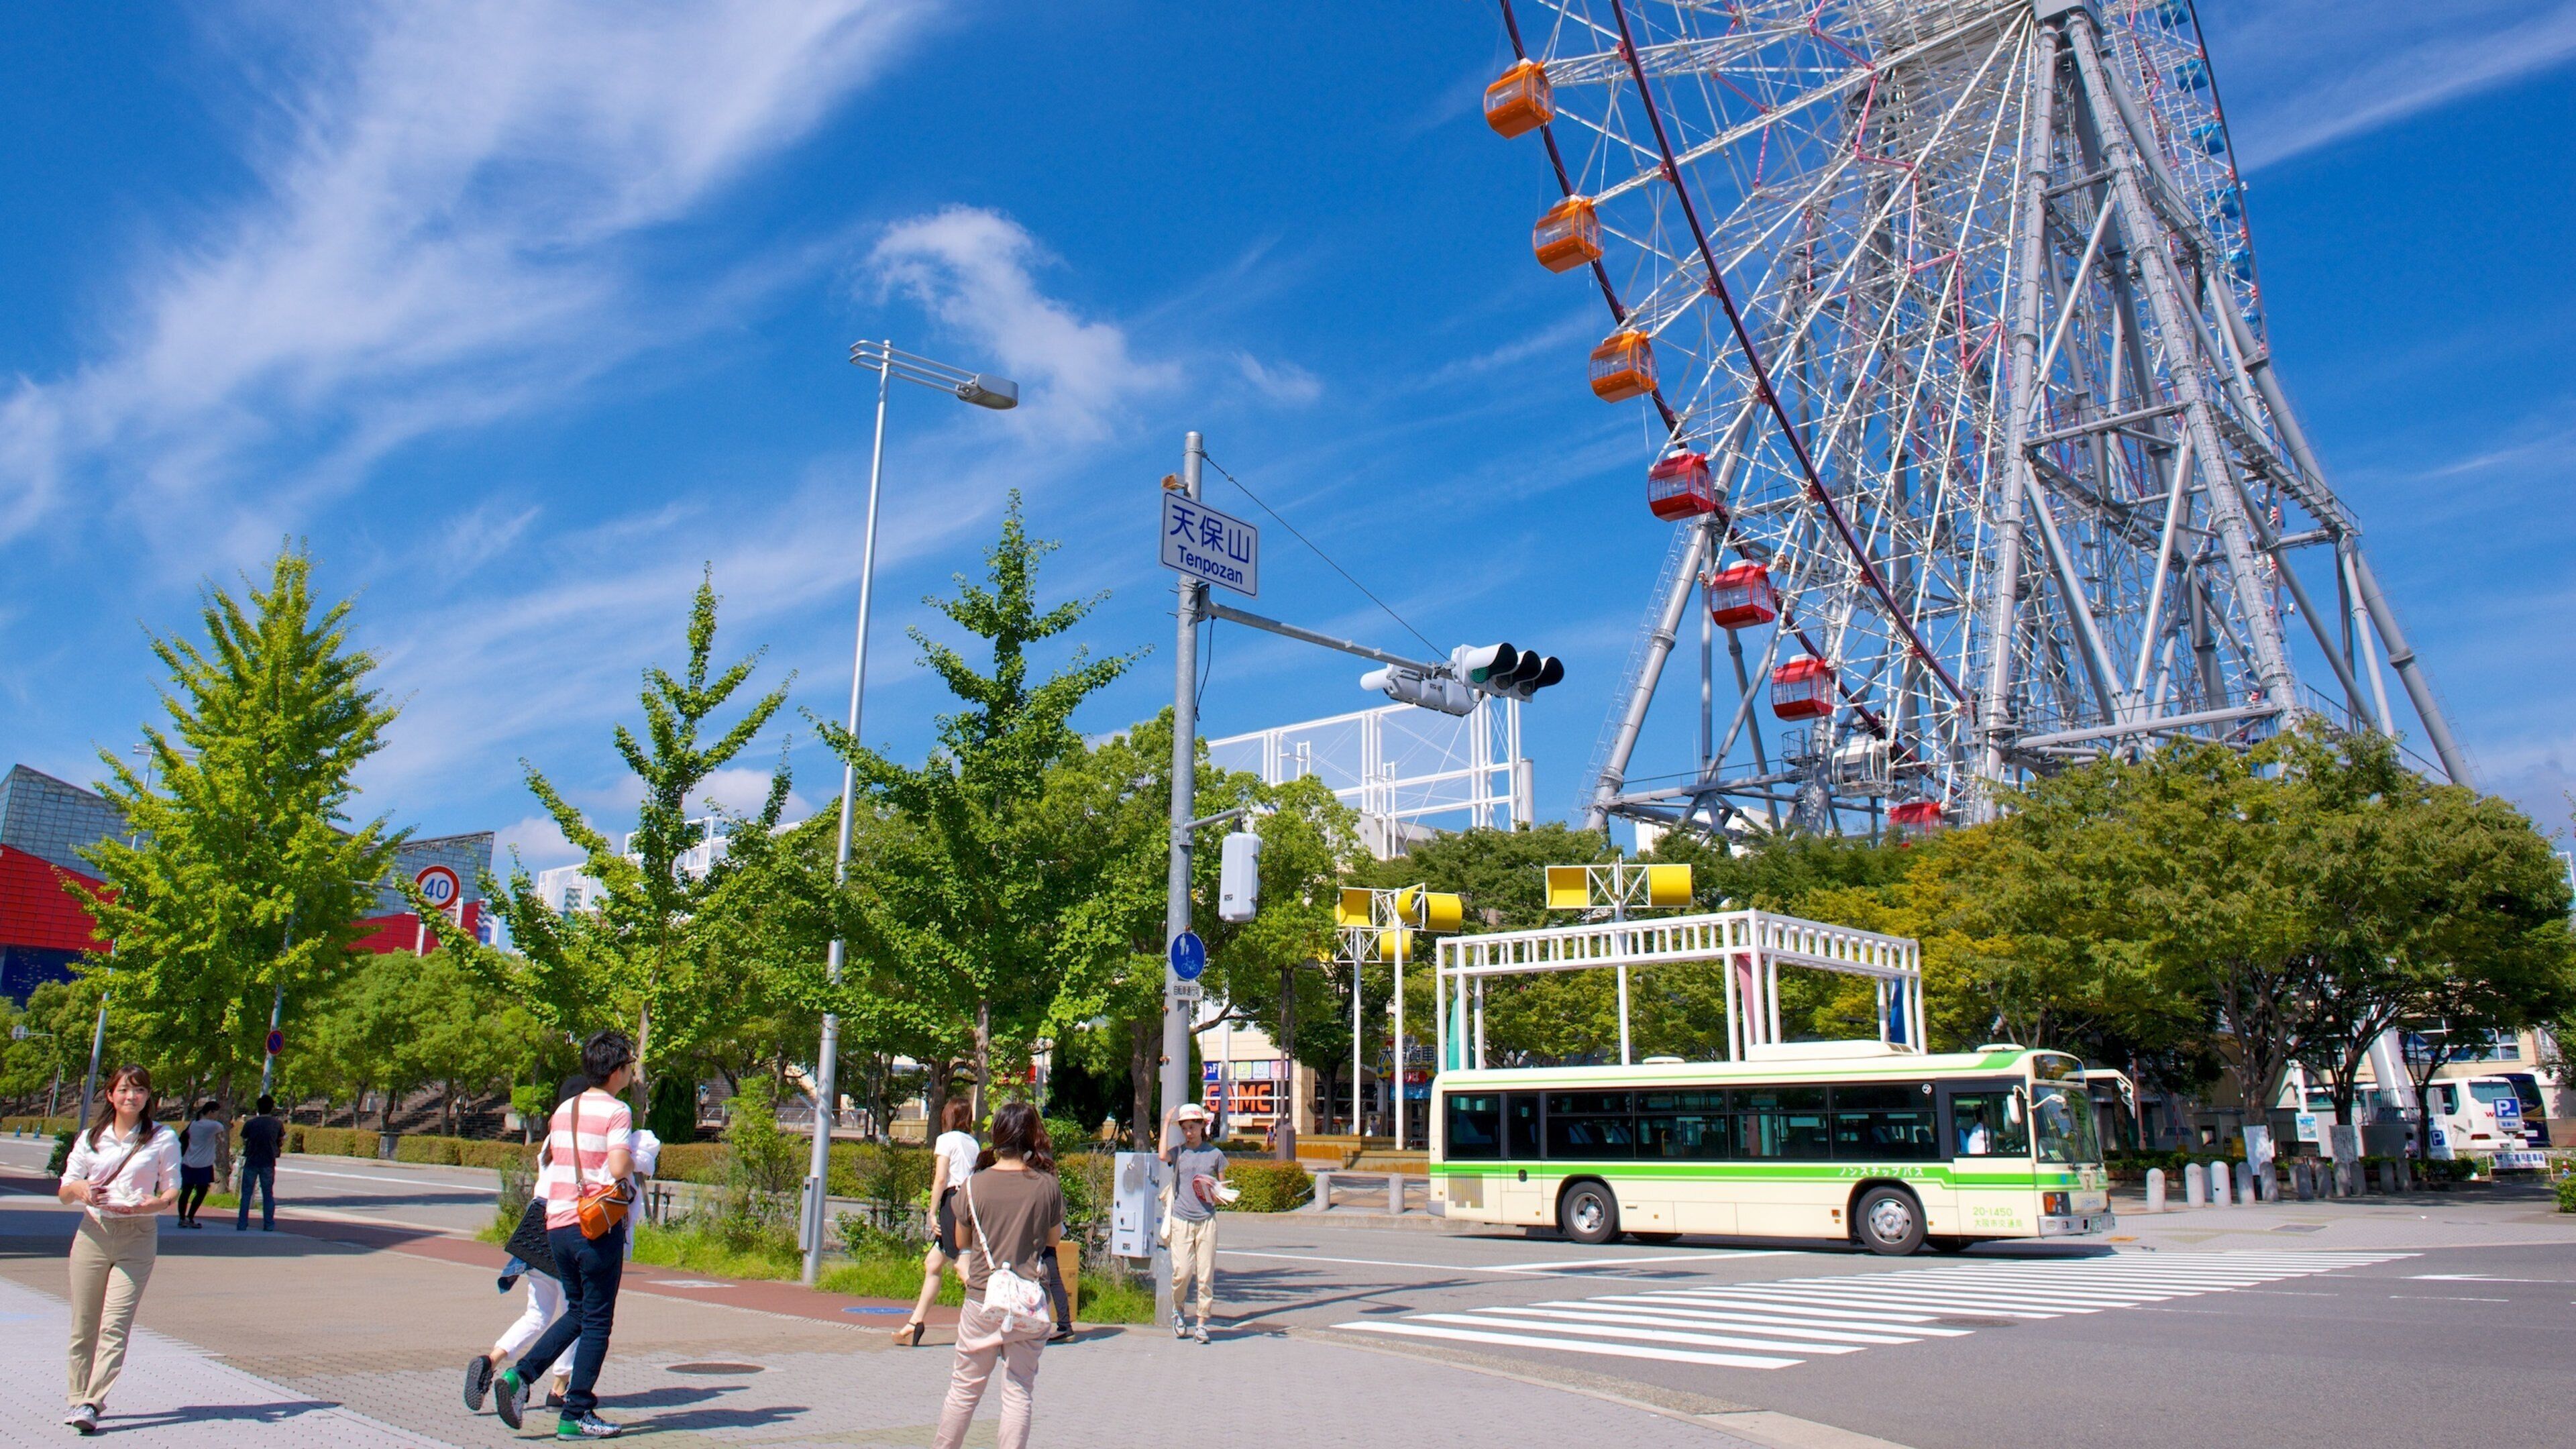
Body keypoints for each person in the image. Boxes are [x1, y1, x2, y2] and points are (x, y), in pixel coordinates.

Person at [489, 1032, 637, 1441]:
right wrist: (632, 1156)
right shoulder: (618, 1112)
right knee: (597, 1322)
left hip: (557, 1225)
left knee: (577, 1311)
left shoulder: (564, 1111)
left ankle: (521, 1375)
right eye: (628, 1064)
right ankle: (576, 1413)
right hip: (595, 1227)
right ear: (616, 1071)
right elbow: (620, 1164)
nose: (631, 1071)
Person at [930, 1102, 1063, 1449]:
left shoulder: (974, 1186)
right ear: (1033, 1136)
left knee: (964, 1390)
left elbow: (962, 1242)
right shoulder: (1047, 1185)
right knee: (1019, 1390)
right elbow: (1053, 1241)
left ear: (998, 1136)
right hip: (1029, 1300)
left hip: (981, 1298)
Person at [56, 1065, 180, 1434]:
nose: (132, 1097)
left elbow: (171, 1190)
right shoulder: (91, 1138)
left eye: (139, 1091)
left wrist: (152, 1205)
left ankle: (92, 1403)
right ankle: (77, 1396)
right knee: (83, 1325)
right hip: (93, 1232)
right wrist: (82, 1191)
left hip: (138, 1234)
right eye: (124, 1090)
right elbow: (65, 1191)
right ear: (111, 1095)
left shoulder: (163, 1137)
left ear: (148, 1097)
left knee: (115, 1324)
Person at [467, 1075, 588, 1417]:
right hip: (565, 1228)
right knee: (573, 1315)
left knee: (536, 1314)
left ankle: (490, 1359)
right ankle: (558, 1389)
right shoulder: (582, 1138)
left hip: (535, 1231)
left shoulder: (550, 1140)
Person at [898, 1099, 981, 1347]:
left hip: (952, 1201)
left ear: (948, 1116)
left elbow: (941, 1178)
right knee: (933, 1262)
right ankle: (915, 1322)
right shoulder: (973, 1143)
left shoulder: (946, 1140)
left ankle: (996, 1315)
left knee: (962, 1267)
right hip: (971, 1201)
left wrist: (932, 1212)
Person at [1161, 1102, 1228, 1344]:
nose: (1189, 1132)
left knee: (1206, 1275)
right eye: (1185, 1128)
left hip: (1207, 1220)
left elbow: (1222, 1189)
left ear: (1203, 1126)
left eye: (1193, 1126)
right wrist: (1166, 1124)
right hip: (1181, 1219)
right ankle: (1178, 1309)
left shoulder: (1215, 1155)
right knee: (1182, 1273)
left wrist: (1214, 1192)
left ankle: (1202, 1323)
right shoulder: (1179, 1152)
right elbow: (1161, 1156)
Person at [235, 1094, 284, 1232]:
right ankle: (269, 1224)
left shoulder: (250, 1123)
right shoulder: (277, 1124)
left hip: (252, 1160)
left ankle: (242, 1224)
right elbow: (280, 1140)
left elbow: (244, 1139)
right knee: (268, 1193)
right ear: (271, 1108)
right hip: (268, 1161)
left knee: (246, 1194)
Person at [175, 1100, 224, 1229]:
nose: (217, 1116)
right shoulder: (214, 1126)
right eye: (216, 1112)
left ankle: (181, 1218)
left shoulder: (193, 1124)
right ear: (211, 1112)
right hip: (204, 1164)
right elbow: (223, 1128)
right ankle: (191, 1217)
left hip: (188, 1161)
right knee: (201, 1191)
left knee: (186, 1191)